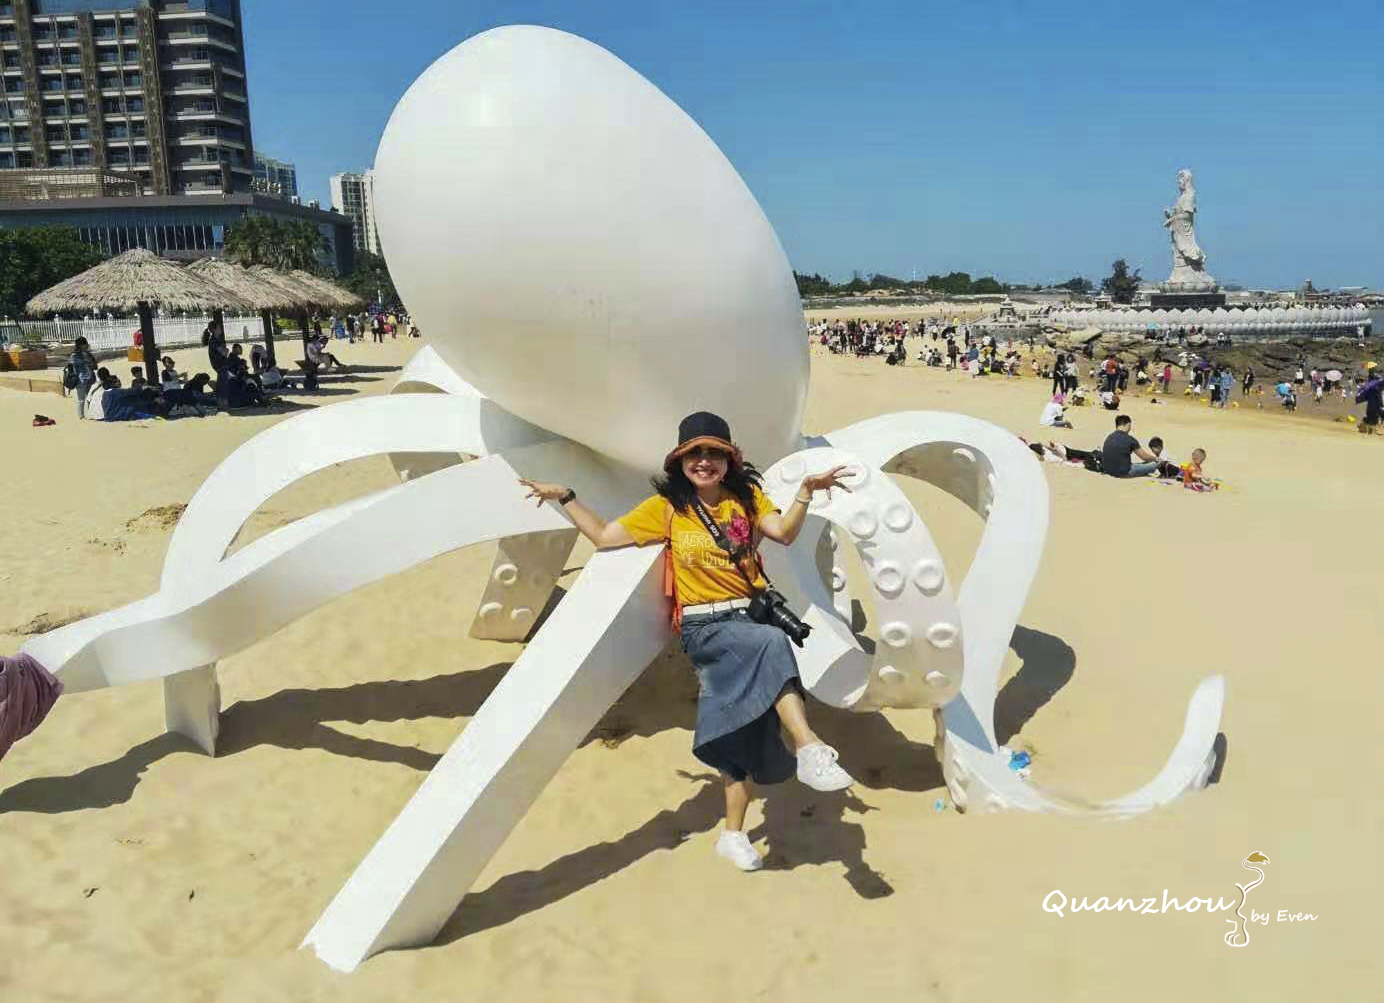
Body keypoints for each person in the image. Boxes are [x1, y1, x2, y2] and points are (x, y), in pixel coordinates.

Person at [516, 412, 855, 872]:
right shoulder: (667, 508)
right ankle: (809, 746)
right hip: (705, 628)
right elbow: (605, 536)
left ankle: (732, 835)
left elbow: (784, 533)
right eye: (695, 453)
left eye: (714, 453)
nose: (704, 461)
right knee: (773, 644)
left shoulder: (747, 498)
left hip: (746, 616)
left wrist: (805, 494)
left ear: (729, 460)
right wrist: (567, 497)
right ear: (680, 461)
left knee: (743, 733)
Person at [66, 336, 97, 420]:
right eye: (85, 344)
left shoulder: (88, 354)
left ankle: (91, 414)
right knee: (81, 399)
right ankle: (81, 416)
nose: (87, 345)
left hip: (90, 378)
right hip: (80, 380)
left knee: (90, 397)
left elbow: (94, 365)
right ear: (80, 345)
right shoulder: (74, 355)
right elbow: (74, 366)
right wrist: (86, 361)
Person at [1356, 362, 1382, 434]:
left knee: (1373, 413)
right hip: (1373, 397)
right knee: (1372, 413)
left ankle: (1370, 429)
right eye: (1370, 369)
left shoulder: (1373, 376)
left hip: (1373, 396)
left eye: (1371, 369)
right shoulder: (1372, 377)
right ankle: (1368, 428)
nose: (1371, 370)